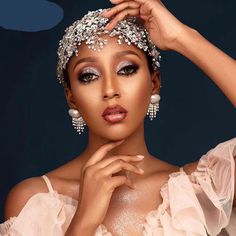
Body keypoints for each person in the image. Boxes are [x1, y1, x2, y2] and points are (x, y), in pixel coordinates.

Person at [0, 0, 236, 235]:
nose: (110, 89)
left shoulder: (199, 191)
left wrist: (182, 37)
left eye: (126, 69)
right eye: (89, 76)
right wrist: (83, 221)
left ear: (154, 83)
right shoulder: (37, 201)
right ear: (72, 98)